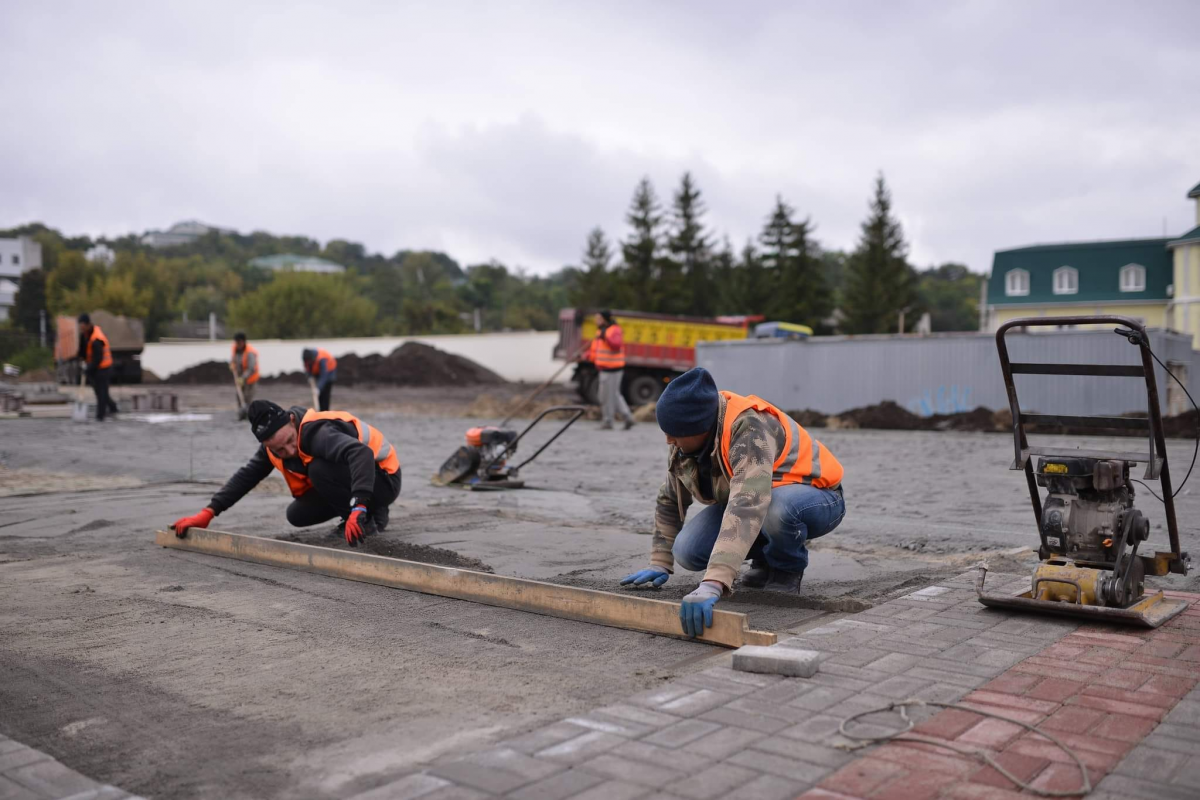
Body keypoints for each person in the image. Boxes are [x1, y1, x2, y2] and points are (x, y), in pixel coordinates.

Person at [619, 367, 846, 638]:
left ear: (700, 426)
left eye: (675, 433)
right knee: (687, 551)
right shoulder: (683, 441)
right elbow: (669, 499)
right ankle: (763, 560)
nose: (669, 439)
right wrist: (660, 560)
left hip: (816, 498)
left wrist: (715, 582)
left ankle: (786, 569)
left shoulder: (748, 427)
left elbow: (747, 505)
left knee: (777, 510)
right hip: (759, 499)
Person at [171, 399, 402, 546]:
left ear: (292, 421)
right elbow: (246, 477)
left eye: (290, 441)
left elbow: (360, 454)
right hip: (360, 481)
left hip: (385, 478)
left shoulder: (317, 431)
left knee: (319, 469)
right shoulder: (271, 449)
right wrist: (208, 512)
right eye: (279, 449)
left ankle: (367, 519)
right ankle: (370, 512)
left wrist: (358, 506)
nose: (289, 450)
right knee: (297, 515)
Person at [589, 310, 634, 430]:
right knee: (607, 395)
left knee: (610, 396)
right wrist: (586, 356)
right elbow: (597, 350)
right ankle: (625, 417)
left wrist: (605, 338)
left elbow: (616, 345)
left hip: (613, 368)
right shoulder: (601, 331)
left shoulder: (614, 329)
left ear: (604, 319)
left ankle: (610, 421)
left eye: (598, 318)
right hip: (604, 368)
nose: (596, 321)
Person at [77, 313, 119, 421]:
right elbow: (82, 352)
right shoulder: (84, 335)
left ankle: (100, 416)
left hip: (104, 368)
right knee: (99, 392)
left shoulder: (97, 339)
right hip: (94, 368)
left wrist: (88, 369)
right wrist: (81, 361)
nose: (81, 328)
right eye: (80, 326)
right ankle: (113, 408)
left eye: (82, 326)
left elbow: (98, 359)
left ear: (87, 324)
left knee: (102, 393)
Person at [230, 333, 259, 421]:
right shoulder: (235, 349)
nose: (237, 345)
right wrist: (232, 365)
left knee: (247, 397)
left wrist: (243, 377)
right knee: (239, 396)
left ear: (242, 342)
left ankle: (249, 415)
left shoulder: (250, 352)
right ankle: (241, 414)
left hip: (250, 379)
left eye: (238, 342)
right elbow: (233, 360)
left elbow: (251, 368)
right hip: (239, 379)